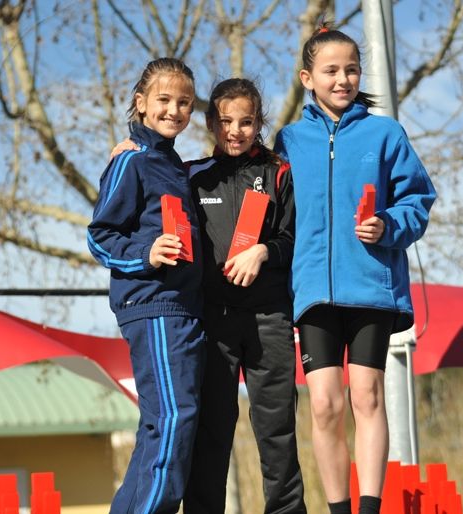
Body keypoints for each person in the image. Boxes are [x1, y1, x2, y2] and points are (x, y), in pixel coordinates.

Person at [111, 78, 307, 514]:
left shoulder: (280, 174)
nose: (235, 130)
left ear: (259, 124)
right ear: (210, 124)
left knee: (276, 428)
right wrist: (127, 149)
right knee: (211, 432)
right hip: (212, 319)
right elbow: (151, 179)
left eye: (247, 122)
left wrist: (264, 251)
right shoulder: (190, 175)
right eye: (225, 121)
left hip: (269, 317)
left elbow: (297, 239)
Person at [273, 25, 437, 514]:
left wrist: (387, 225)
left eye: (351, 69)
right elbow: (255, 191)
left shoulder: (385, 133)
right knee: (325, 404)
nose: (343, 79)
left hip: (371, 289)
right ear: (308, 78)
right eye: (331, 70)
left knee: (366, 396)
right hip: (312, 294)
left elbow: (419, 200)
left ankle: (369, 509)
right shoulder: (288, 140)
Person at [87, 57, 206, 514]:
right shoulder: (132, 161)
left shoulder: (173, 165)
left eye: (184, 103)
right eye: (164, 99)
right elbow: (101, 235)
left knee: (165, 422)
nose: (174, 110)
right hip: (154, 305)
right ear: (140, 102)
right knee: (174, 417)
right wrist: (145, 254)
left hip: (184, 307)